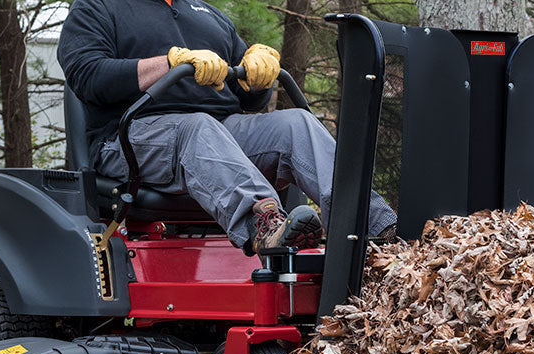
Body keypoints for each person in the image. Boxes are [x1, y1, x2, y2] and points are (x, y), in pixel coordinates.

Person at [57, 0, 397, 253]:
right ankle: (264, 223)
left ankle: (377, 229)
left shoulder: (208, 15)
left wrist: (259, 77)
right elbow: (88, 76)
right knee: (198, 128)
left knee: (297, 123)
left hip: (218, 132)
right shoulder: (97, 7)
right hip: (129, 138)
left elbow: (247, 98)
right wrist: (169, 62)